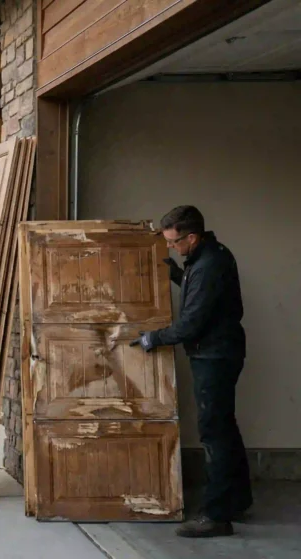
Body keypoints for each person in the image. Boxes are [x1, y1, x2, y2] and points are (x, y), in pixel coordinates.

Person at [129, 205, 251, 538]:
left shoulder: (208, 265)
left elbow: (191, 324)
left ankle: (216, 516)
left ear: (192, 237)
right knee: (224, 427)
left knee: (214, 432)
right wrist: (177, 275)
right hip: (219, 352)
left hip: (214, 356)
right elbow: (204, 296)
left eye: (174, 242)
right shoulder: (208, 257)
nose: (171, 246)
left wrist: (152, 338)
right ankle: (237, 500)